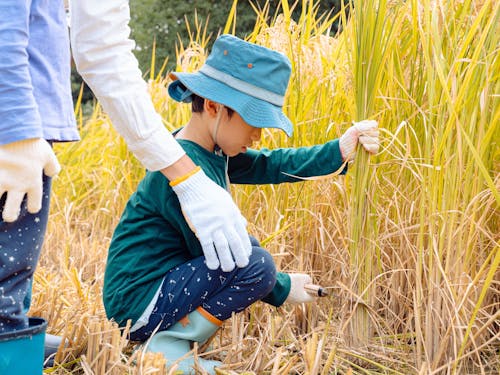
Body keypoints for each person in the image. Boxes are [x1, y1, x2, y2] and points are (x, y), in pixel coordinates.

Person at [104, 34, 379, 374]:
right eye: (254, 122)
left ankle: (170, 344)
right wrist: (280, 287)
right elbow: (229, 254)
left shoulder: (208, 152)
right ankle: (166, 349)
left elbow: (271, 164)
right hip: (139, 300)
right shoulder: (182, 169)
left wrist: (337, 151)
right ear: (214, 107)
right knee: (256, 264)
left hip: (153, 292)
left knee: (256, 265)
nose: (258, 136)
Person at [0, 1, 252, 373]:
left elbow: (102, 48)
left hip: (29, 114)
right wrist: (16, 124)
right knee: (6, 280)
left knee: (13, 276)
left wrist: (187, 177)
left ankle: (14, 338)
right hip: (17, 119)